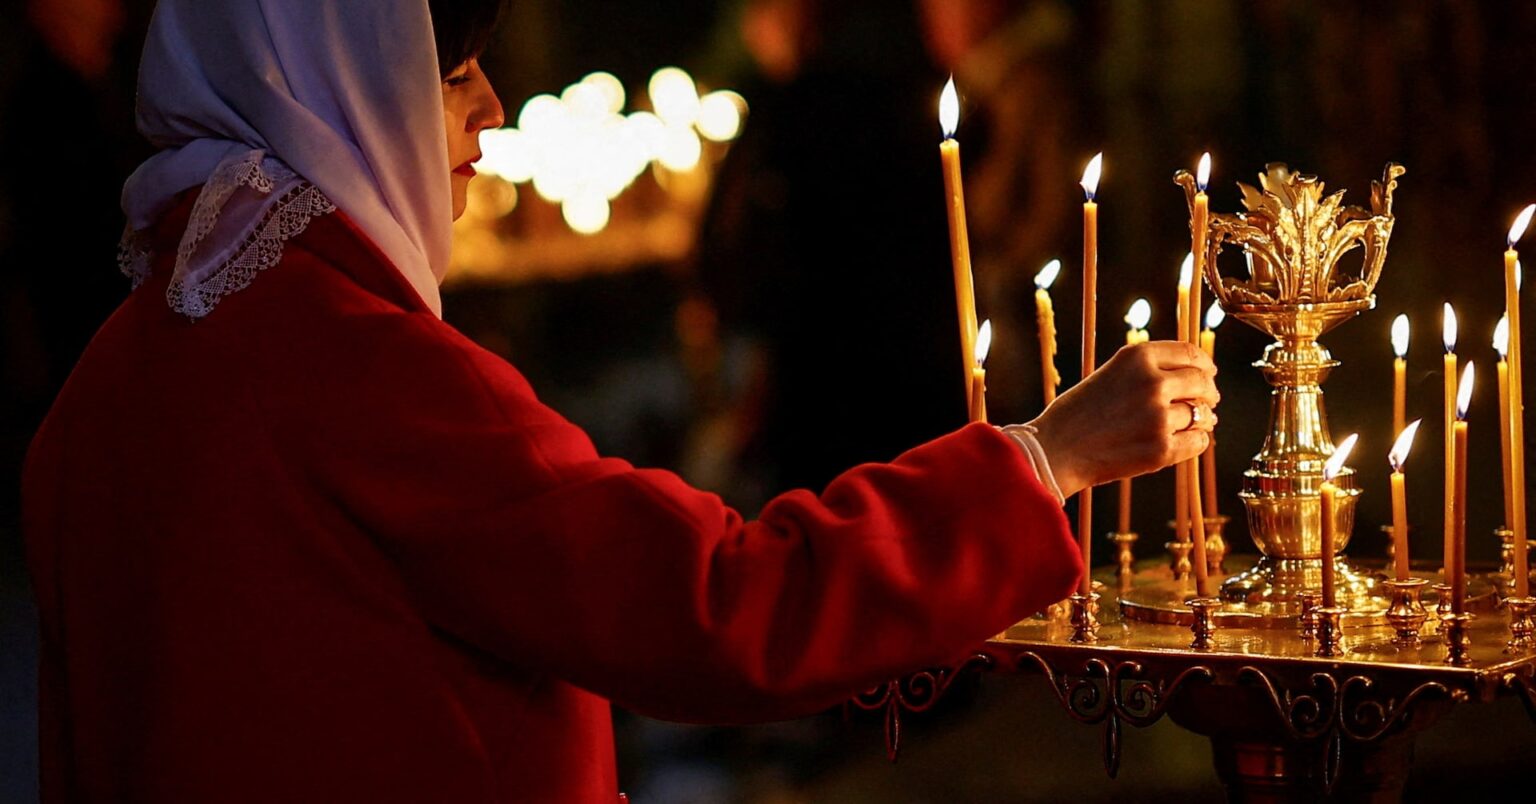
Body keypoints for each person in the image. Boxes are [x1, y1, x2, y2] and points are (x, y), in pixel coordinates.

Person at [20, 1, 1219, 801]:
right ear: (340, 94)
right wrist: (1042, 459)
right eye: (453, 73)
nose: (491, 109)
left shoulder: (120, 368)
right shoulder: (358, 367)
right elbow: (714, 605)